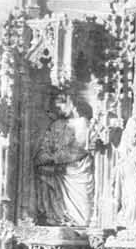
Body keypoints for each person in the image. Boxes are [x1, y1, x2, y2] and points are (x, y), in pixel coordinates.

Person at [33, 93, 95, 226]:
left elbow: (80, 149)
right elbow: (46, 146)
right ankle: (55, 216)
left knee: (83, 214)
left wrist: (54, 158)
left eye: (61, 103)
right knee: (42, 172)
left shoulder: (82, 123)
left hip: (76, 168)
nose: (58, 108)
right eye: (56, 105)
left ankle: (78, 222)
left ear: (71, 103)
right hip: (59, 170)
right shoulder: (56, 125)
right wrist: (44, 156)